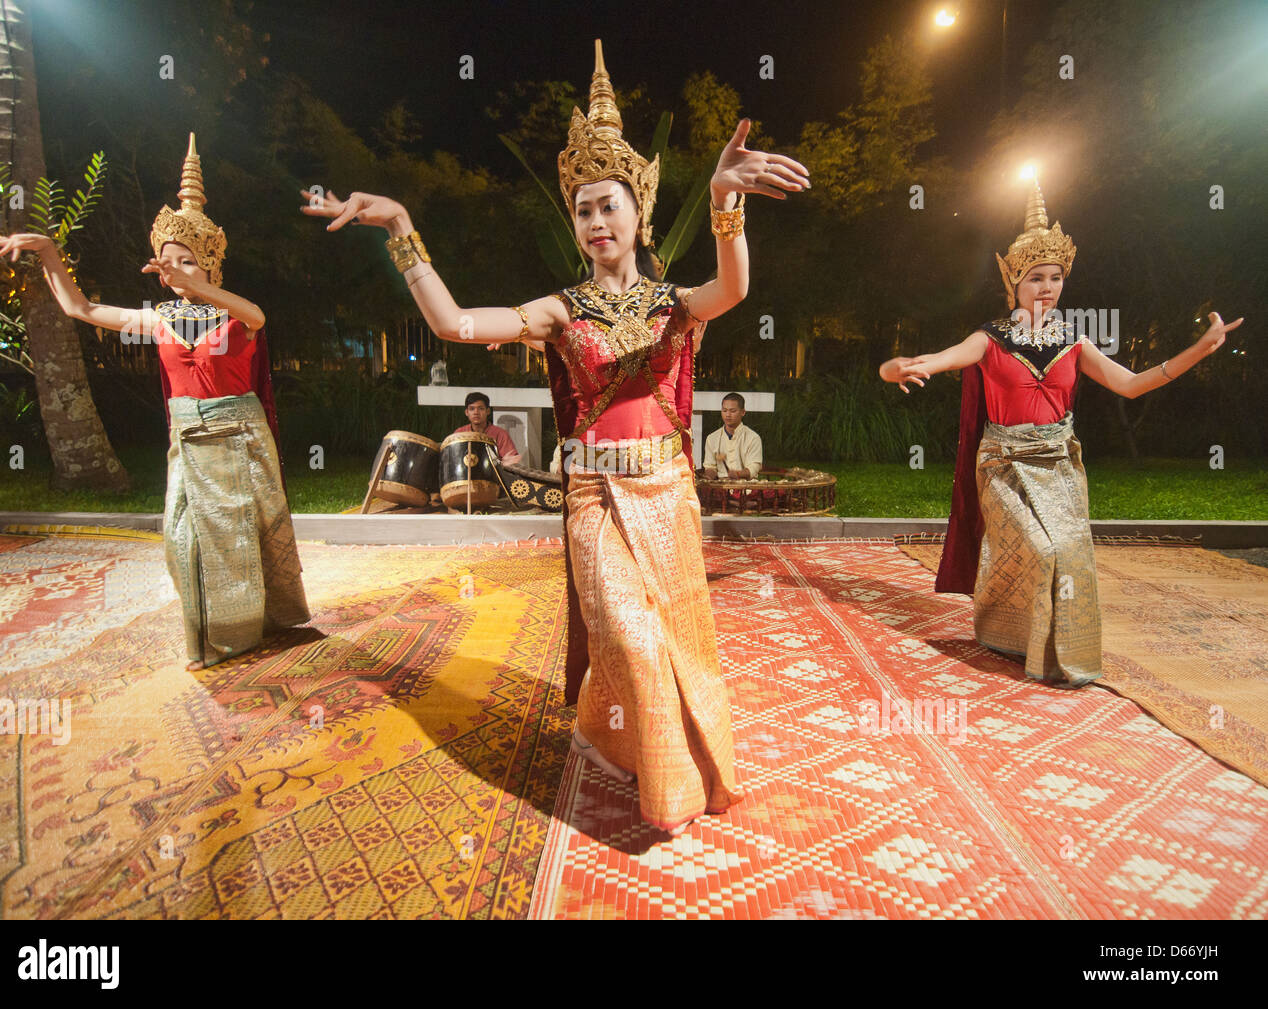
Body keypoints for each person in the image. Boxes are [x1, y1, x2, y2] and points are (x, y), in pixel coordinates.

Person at [302, 40, 810, 833]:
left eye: (610, 204)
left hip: (667, 492)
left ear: (639, 213)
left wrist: (724, 202)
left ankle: (609, 733)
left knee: (673, 634)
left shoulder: (679, 302)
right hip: (596, 496)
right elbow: (455, 322)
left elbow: (736, 286)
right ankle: (660, 781)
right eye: (583, 208)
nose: (597, 220)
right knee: (633, 637)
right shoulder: (558, 311)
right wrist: (401, 227)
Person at [878, 176, 1241, 687]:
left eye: (1055, 277)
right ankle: (1006, 633)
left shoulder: (1075, 343)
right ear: (1014, 284)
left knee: (1071, 554)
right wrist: (896, 369)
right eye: (1035, 278)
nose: (1047, 287)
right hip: (1004, 467)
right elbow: (939, 360)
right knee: (1039, 549)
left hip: (1060, 465)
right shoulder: (989, 339)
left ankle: (1058, 652)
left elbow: (1133, 384)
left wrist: (1197, 351)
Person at [0, 134, 310, 671]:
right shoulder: (157, 320)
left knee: (247, 542)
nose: (173, 270)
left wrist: (196, 287)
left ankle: (248, 630)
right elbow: (80, 307)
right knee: (182, 543)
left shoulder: (232, 317)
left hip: (241, 439)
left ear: (209, 259)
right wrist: (47, 251)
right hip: (188, 442)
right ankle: (213, 631)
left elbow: (257, 315)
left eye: (186, 260)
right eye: (165, 261)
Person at [703, 392, 763, 479]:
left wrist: (738, 474)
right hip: (720, 488)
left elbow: (754, 467)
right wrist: (709, 474)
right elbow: (709, 466)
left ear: (743, 412)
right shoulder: (712, 438)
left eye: (733, 411)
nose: (727, 415)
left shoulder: (753, 438)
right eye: (724, 410)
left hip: (746, 489)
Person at [453, 391, 520, 463]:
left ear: (488, 411)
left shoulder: (500, 434)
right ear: (466, 412)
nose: (476, 412)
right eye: (472, 409)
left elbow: (512, 460)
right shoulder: (459, 433)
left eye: (481, 408)